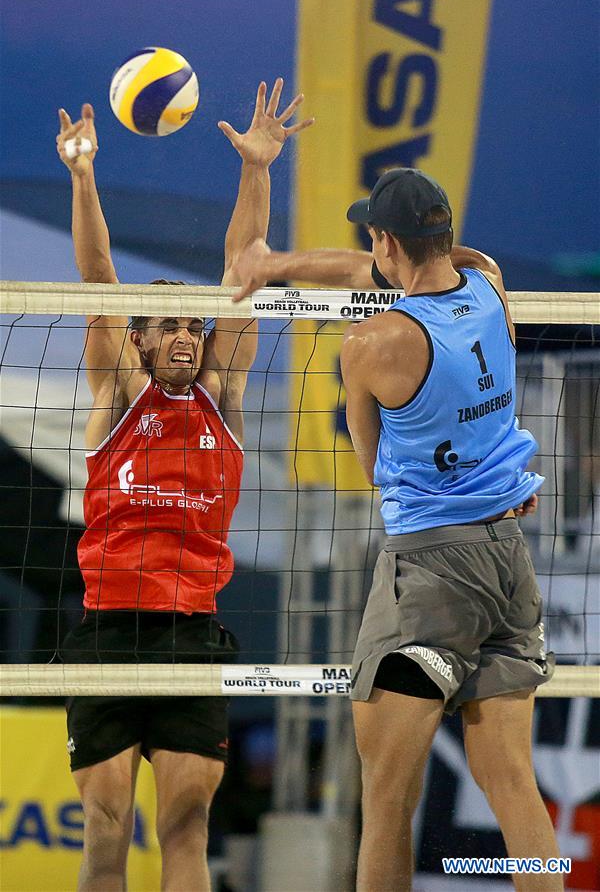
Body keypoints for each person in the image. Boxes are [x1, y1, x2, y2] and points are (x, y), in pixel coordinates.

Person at [233, 168, 563, 891]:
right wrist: (274, 264)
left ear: (386, 240)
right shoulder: (489, 283)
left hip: (429, 573)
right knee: (512, 783)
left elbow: (372, 463)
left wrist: (265, 263)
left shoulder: (371, 343)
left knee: (384, 801)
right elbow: (383, 271)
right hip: (509, 558)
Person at [56, 80, 312, 892]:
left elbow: (243, 268)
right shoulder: (119, 394)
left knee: (187, 826)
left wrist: (257, 169)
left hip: (192, 636)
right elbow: (98, 275)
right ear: (137, 339)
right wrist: (84, 176)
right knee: (105, 833)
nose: (185, 336)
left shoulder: (221, 398)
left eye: (193, 326)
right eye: (167, 325)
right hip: (107, 634)